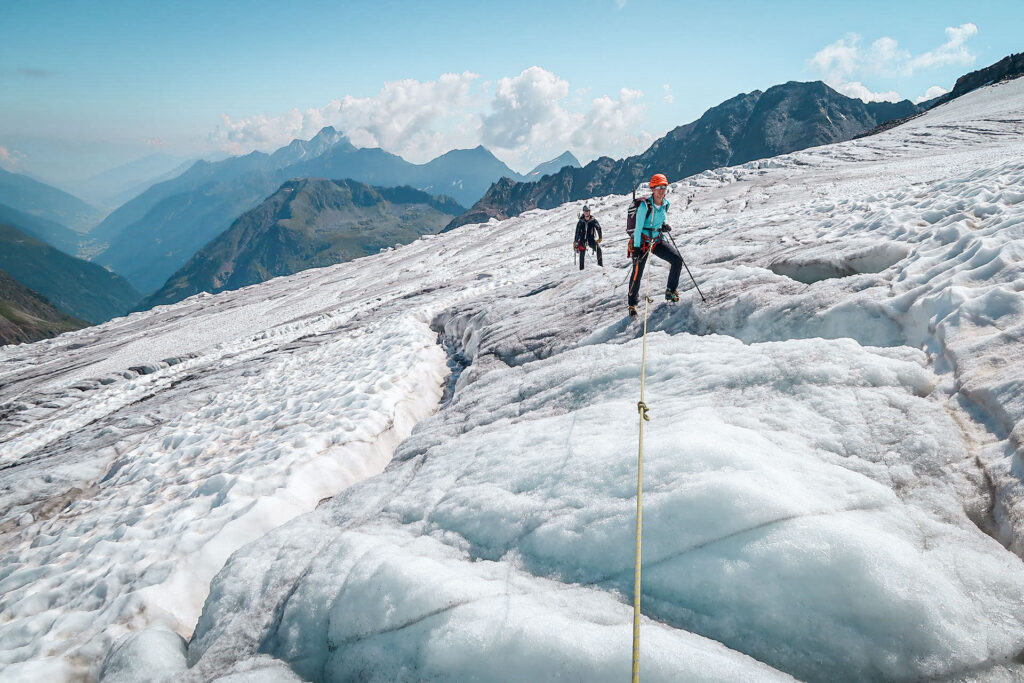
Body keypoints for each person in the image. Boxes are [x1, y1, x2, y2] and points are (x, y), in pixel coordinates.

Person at [627, 173, 683, 316]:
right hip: (643, 242)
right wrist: (637, 247)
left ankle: (670, 290)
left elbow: (658, 220)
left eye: (663, 187)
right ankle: (632, 304)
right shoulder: (645, 206)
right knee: (637, 273)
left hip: (657, 240)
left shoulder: (666, 204)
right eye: (658, 187)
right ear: (652, 188)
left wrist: (663, 226)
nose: (661, 190)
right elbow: (639, 227)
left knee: (677, 259)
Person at [573, 205, 603, 270]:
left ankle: (600, 266)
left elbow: (598, 228)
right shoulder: (580, 222)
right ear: (583, 212)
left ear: (589, 212)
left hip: (591, 239)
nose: (586, 212)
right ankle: (581, 269)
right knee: (582, 253)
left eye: (588, 211)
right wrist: (575, 241)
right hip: (582, 240)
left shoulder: (593, 220)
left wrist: (600, 237)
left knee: (598, 249)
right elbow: (577, 232)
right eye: (585, 211)